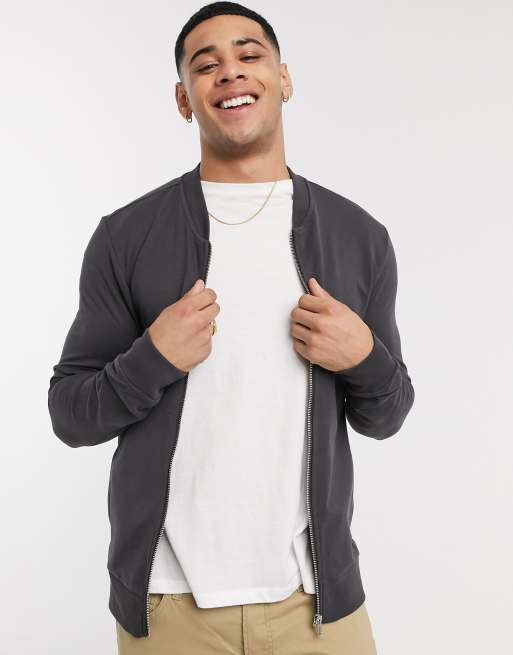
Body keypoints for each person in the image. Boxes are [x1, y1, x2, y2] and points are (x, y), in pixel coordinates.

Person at [48, 2, 415, 653]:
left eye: (249, 55)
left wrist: (364, 356)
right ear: (183, 100)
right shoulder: (126, 237)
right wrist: (152, 357)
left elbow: (385, 416)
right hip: (169, 609)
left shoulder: (358, 236)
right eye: (205, 65)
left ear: (284, 78)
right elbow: (71, 414)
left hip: (317, 606)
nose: (230, 72)